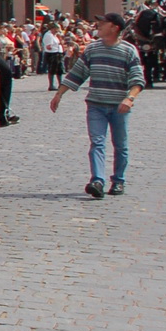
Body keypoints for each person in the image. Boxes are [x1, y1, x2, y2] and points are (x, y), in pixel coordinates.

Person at [49, 12, 143, 198]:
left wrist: (130, 98)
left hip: (119, 106)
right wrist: (59, 93)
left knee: (120, 145)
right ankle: (97, 181)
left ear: (115, 27)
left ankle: (118, 180)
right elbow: (77, 74)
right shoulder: (92, 49)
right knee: (97, 143)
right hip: (96, 105)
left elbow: (137, 80)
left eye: (103, 23)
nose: (98, 25)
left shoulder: (128, 50)